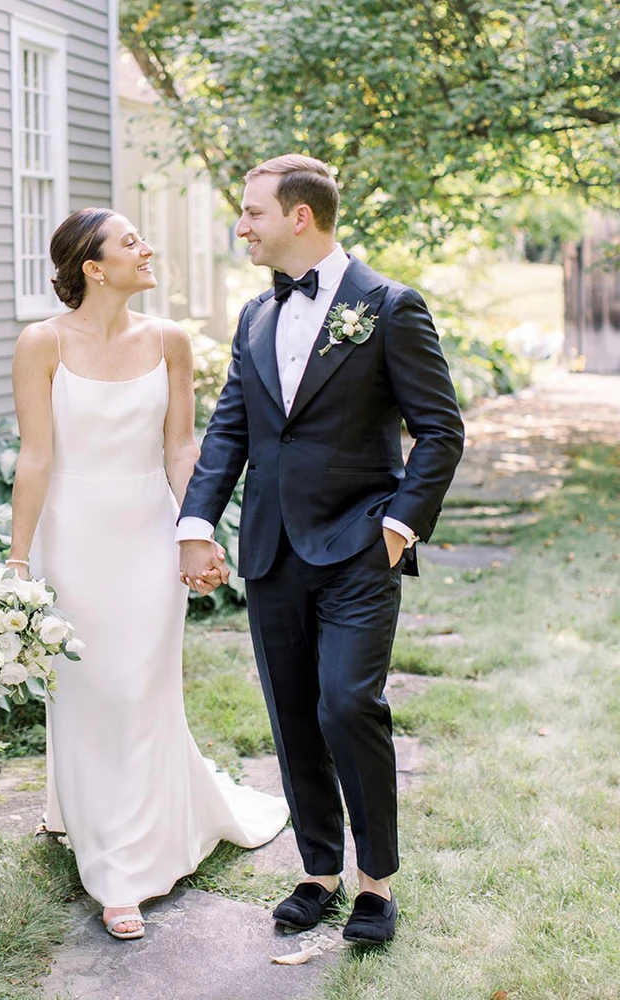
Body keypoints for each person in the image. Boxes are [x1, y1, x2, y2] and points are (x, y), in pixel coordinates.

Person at [178, 155, 465, 944]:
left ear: (299, 217)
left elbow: (440, 429)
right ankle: (318, 872)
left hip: (357, 548)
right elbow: (231, 428)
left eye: (252, 212)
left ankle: (375, 883)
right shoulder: (254, 318)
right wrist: (197, 522)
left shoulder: (391, 306)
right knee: (293, 712)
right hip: (272, 546)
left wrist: (400, 525)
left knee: (347, 703)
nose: (242, 227)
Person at [7, 207, 289, 941]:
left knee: (139, 688)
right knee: (85, 687)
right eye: (131, 242)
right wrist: (16, 562)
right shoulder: (40, 343)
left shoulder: (168, 343)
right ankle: (84, 816)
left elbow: (180, 450)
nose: (148, 247)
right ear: (94, 269)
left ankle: (123, 870)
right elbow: (35, 457)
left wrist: (196, 530)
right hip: (71, 536)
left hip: (146, 534)